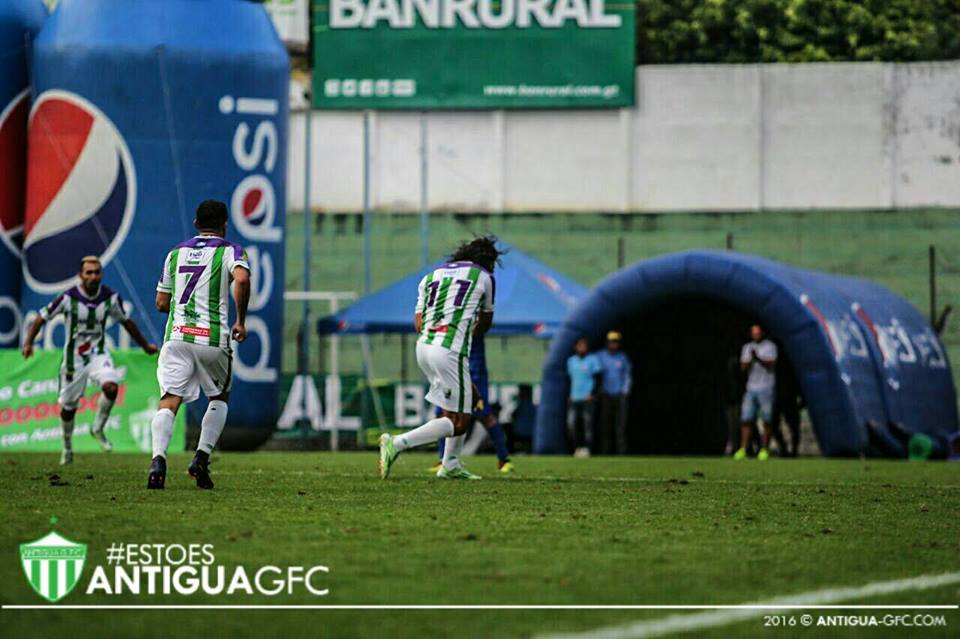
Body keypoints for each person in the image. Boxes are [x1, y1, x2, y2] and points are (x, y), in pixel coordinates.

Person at [379, 236, 503, 480]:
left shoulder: (430, 276)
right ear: (488, 260)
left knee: (460, 404)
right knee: (460, 421)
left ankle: (451, 464)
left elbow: (419, 322)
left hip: (424, 347)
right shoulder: (484, 277)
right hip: (449, 350)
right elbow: (485, 323)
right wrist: (465, 330)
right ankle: (397, 442)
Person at [147, 200, 251, 489]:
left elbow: (160, 303)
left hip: (178, 337)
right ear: (225, 225)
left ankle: (158, 459)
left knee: (169, 400)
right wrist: (240, 320)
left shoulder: (175, 254)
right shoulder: (232, 251)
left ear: (195, 223)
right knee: (218, 399)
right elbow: (241, 279)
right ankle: (201, 458)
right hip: (212, 339)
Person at [21, 256, 158, 465]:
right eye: (89, 273)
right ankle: (67, 447)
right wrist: (28, 343)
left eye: (96, 272)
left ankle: (98, 428)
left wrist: (145, 345)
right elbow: (42, 317)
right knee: (68, 409)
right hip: (73, 359)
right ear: (81, 275)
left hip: (98, 354)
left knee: (111, 387)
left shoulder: (110, 298)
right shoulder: (68, 298)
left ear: (101, 274)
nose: (93, 276)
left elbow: (126, 322)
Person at [430, 334, 515, 474]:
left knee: (485, 416)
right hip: (451, 368)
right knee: (442, 413)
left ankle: (504, 459)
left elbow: (484, 324)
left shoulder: (472, 316)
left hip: (474, 372)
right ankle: (442, 460)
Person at [735, 324, 777, 461]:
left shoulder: (770, 347)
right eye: (754, 333)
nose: (756, 335)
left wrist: (758, 357)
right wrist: (750, 359)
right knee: (746, 418)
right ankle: (743, 449)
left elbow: (771, 364)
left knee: (767, 419)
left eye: (758, 332)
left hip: (766, 388)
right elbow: (742, 368)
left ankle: (764, 449)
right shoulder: (747, 347)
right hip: (751, 387)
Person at [597, 330, 632, 454]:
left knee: (620, 426)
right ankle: (605, 452)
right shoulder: (600, 356)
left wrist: (625, 391)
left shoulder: (622, 358)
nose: (613, 344)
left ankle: (621, 453)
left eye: (615, 342)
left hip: (619, 395)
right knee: (605, 426)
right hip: (606, 395)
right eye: (611, 341)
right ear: (607, 342)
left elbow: (627, 375)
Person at [566, 336, 601, 457]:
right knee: (572, 424)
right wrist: (569, 394)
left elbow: (598, 378)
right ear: (575, 347)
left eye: (584, 345)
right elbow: (569, 379)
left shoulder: (593, 360)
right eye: (580, 345)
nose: (582, 347)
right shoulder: (571, 361)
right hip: (574, 398)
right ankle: (577, 448)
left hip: (587, 399)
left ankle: (588, 449)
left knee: (588, 425)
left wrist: (592, 394)